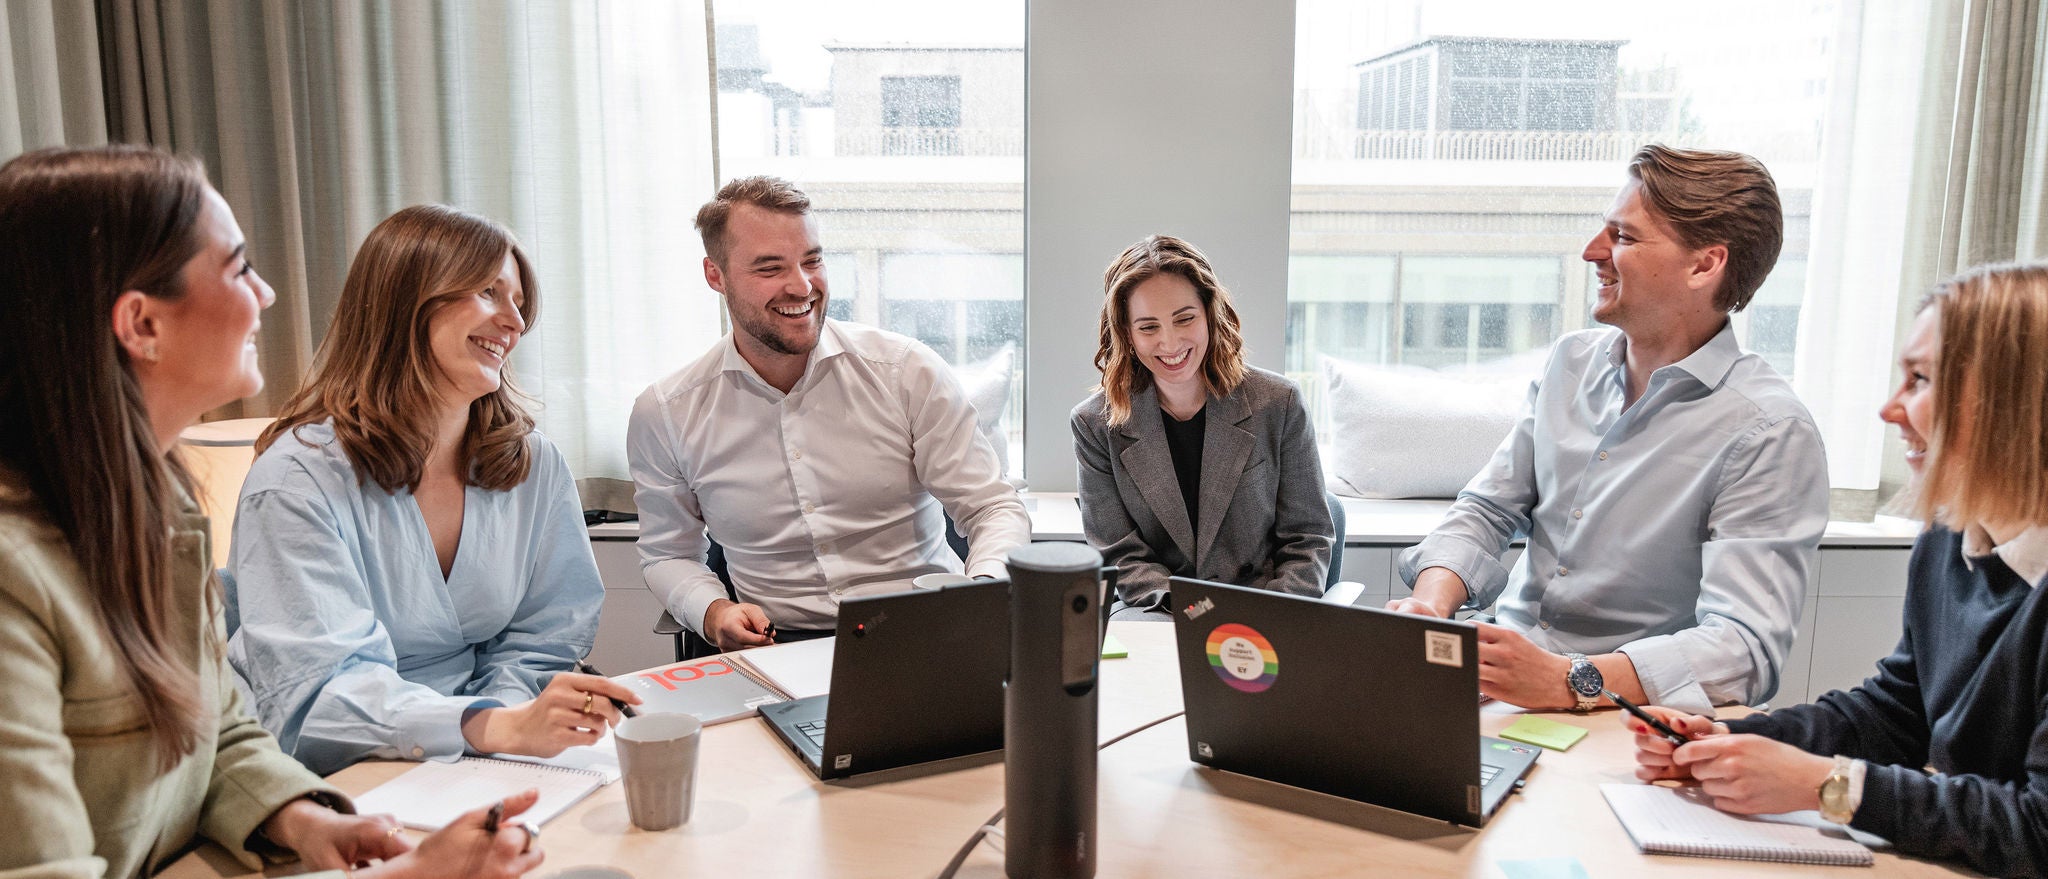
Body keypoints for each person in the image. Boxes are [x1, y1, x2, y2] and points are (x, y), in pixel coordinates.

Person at [0, 146, 541, 877]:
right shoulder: (13, 577)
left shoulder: (162, 511)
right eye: (238, 267)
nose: (269, 293)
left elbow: (220, 735)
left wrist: (301, 818)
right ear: (141, 324)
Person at [1626, 263, 2048, 876]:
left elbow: (2038, 830)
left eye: (1920, 380)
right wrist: (1729, 740)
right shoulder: (1949, 539)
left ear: (2015, 402)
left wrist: (1831, 786)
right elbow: (1897, 714)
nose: (1889, 409)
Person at [1389, 144, 1830, 715]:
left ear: (1705, 265)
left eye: (1623, 237)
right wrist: (1432, 607)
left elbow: (1744, 648)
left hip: (1623, 715)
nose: (1591, 252)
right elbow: (1487, 509)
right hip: (1500, 683)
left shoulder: (1770, 432)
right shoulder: (1570, 363)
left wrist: (1568, 679)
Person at [227, 204, 637, 776]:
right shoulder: (297, 480)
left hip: (489, 745)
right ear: (405, 301)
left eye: (519, 304)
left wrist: (503, 723)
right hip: (331, 761)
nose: (515, 323)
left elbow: (547, 632)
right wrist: (481, 726)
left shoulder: (532, 463)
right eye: (490, 293)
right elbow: (316, 690)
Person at [628, 175, 1031, 650]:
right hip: (777, 648)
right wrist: (714, 612)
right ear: (715, 275)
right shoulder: (666, 412)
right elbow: (667, 553)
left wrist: (983, 589)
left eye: (812, 260)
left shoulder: (904, 371)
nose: (801, 286)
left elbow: (992, 506)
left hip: (927, 634)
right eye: (769, 268)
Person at [1071, 235, 1332, 618]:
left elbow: (1307, 540)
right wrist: (1199, 612)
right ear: (1126, 333)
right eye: (1148, 327)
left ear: (1211, 313)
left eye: (1184, 318)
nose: (1170, 342)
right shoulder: (1095, 424)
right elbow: (1119, 553)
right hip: (1159, 609)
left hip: (1262, 610)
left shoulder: (1280, 403)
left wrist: (1260, 613)